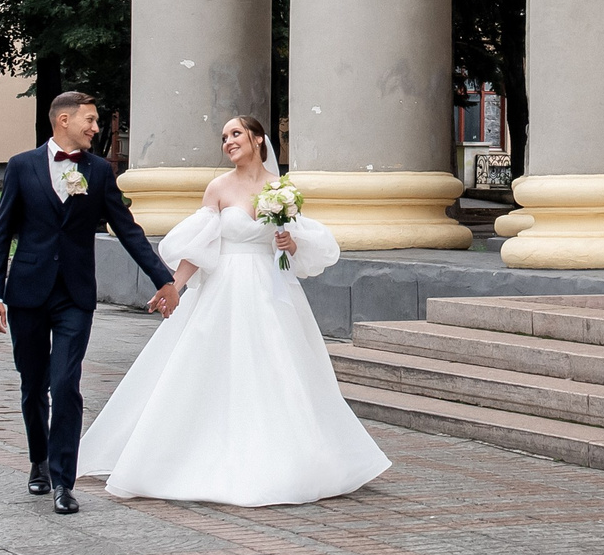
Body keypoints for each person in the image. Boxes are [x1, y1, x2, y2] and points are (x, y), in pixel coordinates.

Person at [79, 115, 390, 505]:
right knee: (213, 368)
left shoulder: (281, 190)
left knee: (279, 367)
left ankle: (292, 459)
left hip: (271, 290)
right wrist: (172, 287)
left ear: (258, 139)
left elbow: (299, 247)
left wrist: (288, 243)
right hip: (225, 287)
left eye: (236, 133)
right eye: (224, 137)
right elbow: (200, 247)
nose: (228, 141)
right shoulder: (219, 188)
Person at [0, 90, 179, 515]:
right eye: (89, 120)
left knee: (66, 384)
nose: (95, 128)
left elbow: (127, 230)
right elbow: (2, 235)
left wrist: (165, 279)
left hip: (75, 296)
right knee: (33, 385)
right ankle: (38, 459)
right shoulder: (21, 167)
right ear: (64, 120)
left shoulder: (99, 173)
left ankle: (62, 481)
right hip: (28, 293)